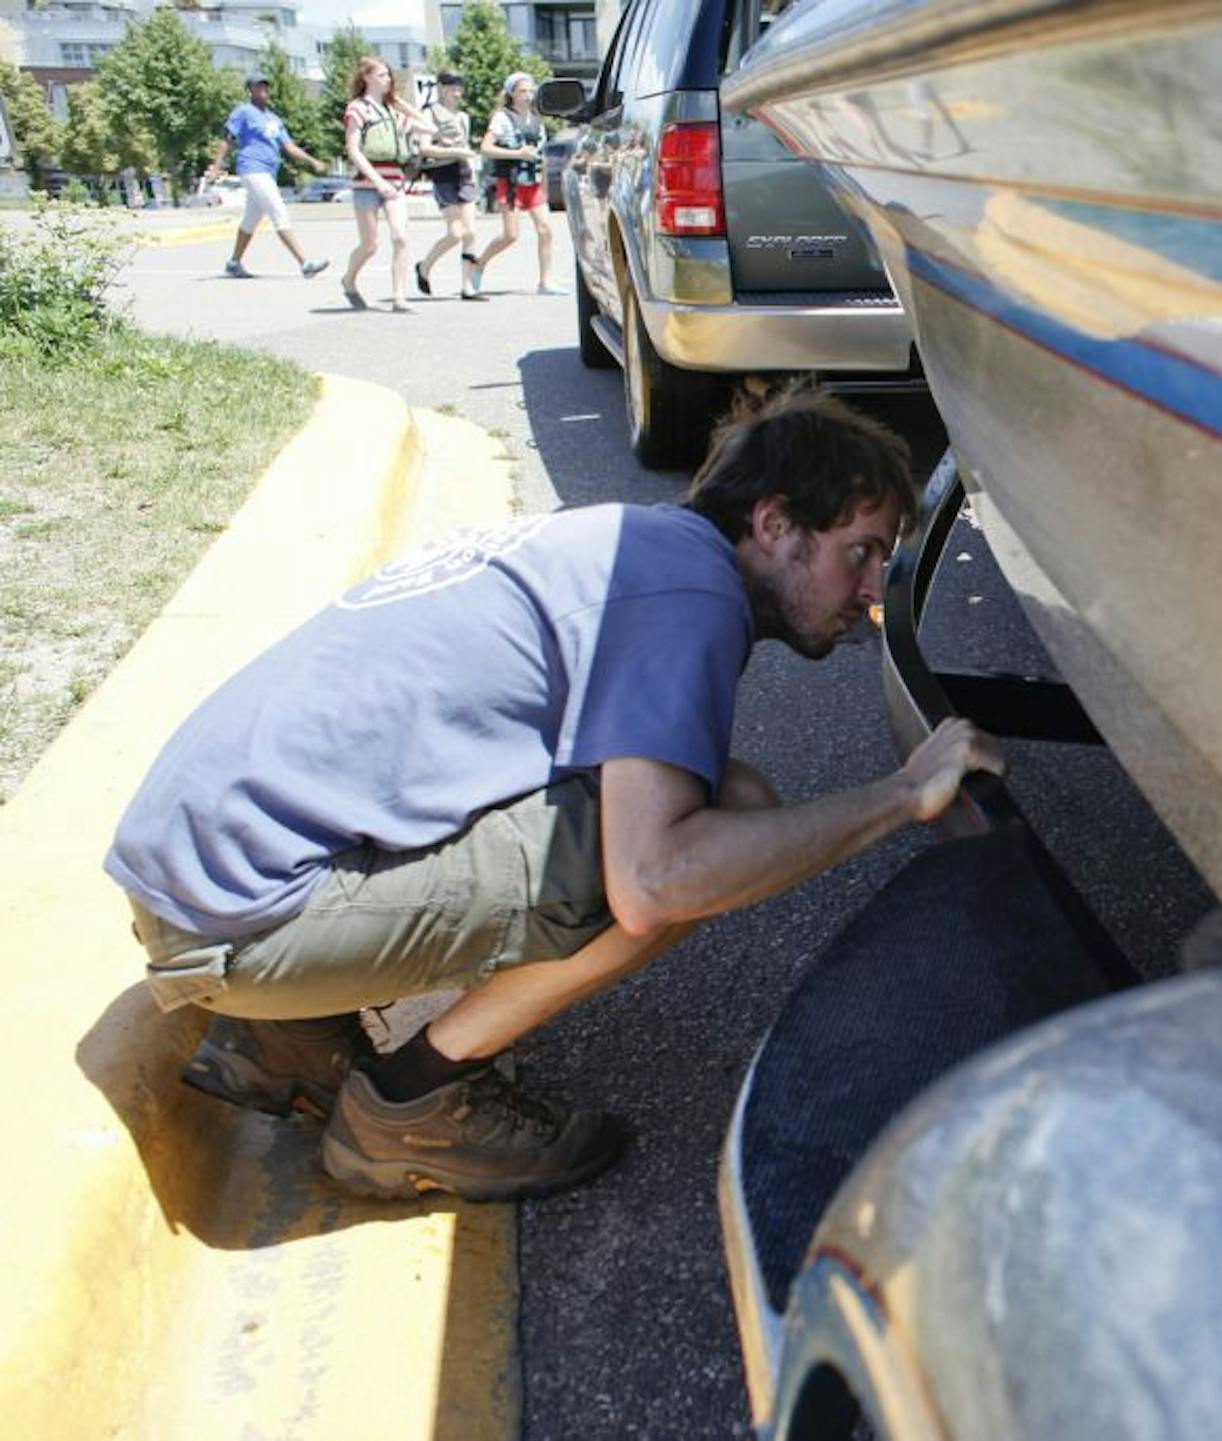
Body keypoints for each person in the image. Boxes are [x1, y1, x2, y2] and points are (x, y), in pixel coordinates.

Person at [105, 388, 1002, 1202]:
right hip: (239, 918)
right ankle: (412, 1102)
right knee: (716, 834)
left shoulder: (631, 547)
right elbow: (657, 879)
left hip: (200, 868)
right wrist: (899, 794)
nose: (866, 593)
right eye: (859, 553)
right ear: (774, 524)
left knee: (716, 793)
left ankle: (287, 1033)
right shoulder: (689, 591)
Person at [203, 75, 332, 280]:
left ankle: (233, 263)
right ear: (249, 90)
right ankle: (305, 263)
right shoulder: (243, 112)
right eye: (258, 86)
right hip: (252, 168)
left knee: (250, 220)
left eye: (265, 86)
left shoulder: (274, 119)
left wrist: (312, 161)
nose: (263, 89)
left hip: (268, 173)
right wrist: (216, 166)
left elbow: (289, 147)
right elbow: (226, 139)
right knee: (278, 210)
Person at [339, 56, 417, 313]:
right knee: (370, 244)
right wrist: (377, 180)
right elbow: (353, 150)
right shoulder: (358, 109)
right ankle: (349, 279)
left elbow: (426, 127)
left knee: (401, 237)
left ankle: (399, 296)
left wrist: (400, 103)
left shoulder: (392, 111)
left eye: (388, 75)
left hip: (395, 181)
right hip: (367, 182)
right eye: (382, 75)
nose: (388, 80)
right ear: (367, 78)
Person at [473, 72, 560, 295]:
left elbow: (542, 155)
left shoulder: (537, 120)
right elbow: (485, 148)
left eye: (531, 91)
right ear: (512, 93)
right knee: (511, 235)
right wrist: (517, 153)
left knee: (546, 229)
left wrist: (545, 185)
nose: (527, 96)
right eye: (522, 91)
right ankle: (479, 263)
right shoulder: (502, 118)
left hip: (533, 181)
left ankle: (545, 281)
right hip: (511, 181)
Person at [411, 71, 486, 303]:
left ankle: (467, 286)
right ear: (441, 88)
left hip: (464, 172)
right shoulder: (428, 113)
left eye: (459, 87)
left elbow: (464, 145)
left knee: (470, 232)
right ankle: (424, 266)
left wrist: (469, 163)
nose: (457, 92)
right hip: (443, 174)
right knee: (455, 233)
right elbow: (425, 148)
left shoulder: (463, 117)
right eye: (452, 87)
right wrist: (456, 151)